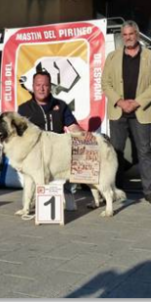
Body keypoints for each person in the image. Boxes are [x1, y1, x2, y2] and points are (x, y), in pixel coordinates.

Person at [101, 20, 151, 205]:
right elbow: (105, 83)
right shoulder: (112, 57)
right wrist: (120, 101)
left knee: (144, 152)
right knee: (117, 153)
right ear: (122, 36)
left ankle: (150, 191)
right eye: (125, 35)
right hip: (117, 111)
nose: (128, 37)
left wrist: (136, 103)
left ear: (137, 34)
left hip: (141, 111)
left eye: (131, 34)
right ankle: (115, 190)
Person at [17, 69, 90, 210]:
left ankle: (68, 196)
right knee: (31, 175)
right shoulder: (24, 109)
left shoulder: (61, 105)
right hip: (35, 155)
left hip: (58, 151)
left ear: (50, 86)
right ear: (33, 86)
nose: (41, 88)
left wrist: (84, 134)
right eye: (38, 85)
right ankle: (30, 202)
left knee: (71, 157)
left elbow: (72, 126)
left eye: (45, 85)